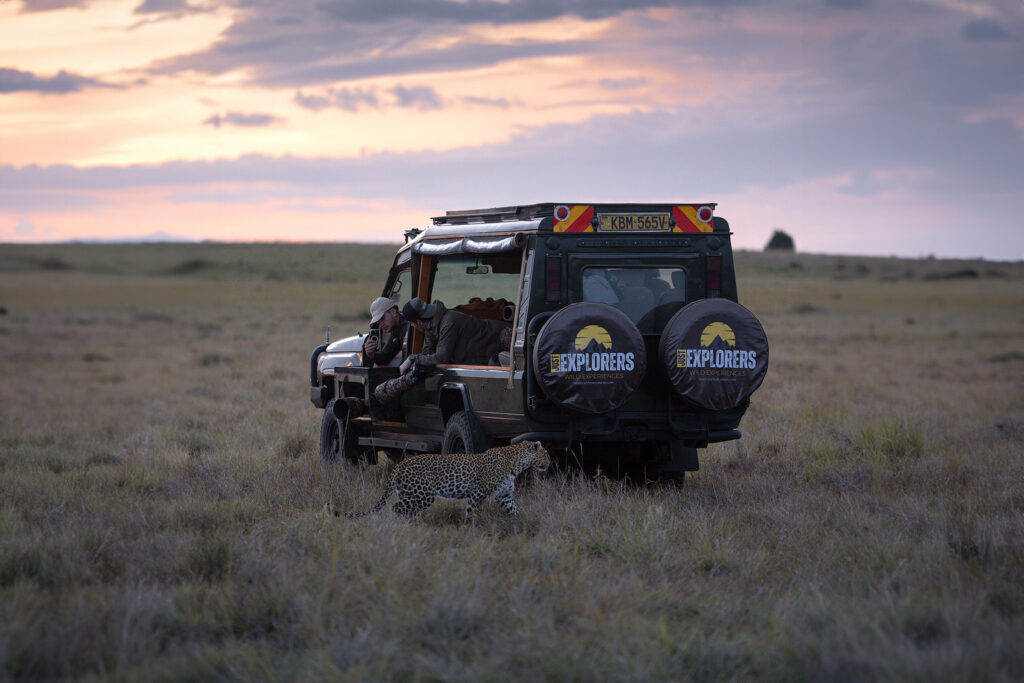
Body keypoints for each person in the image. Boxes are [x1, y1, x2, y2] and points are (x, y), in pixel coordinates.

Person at [373, 297, 510, 409]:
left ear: (419, 322)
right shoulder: (430, 326)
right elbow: (427, 353)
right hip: (481, 352)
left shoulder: (448, 322)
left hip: (499, 342)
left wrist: (413, 358)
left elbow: (441, 357)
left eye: (413, 324)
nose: (413, 327)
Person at [362, 296, 407, 368]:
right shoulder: (396, 330)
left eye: (382, 319)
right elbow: (385, 358)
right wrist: (371, 354)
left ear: (393, 312)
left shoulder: (407, 327)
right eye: (378, 322)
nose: (380, 325)